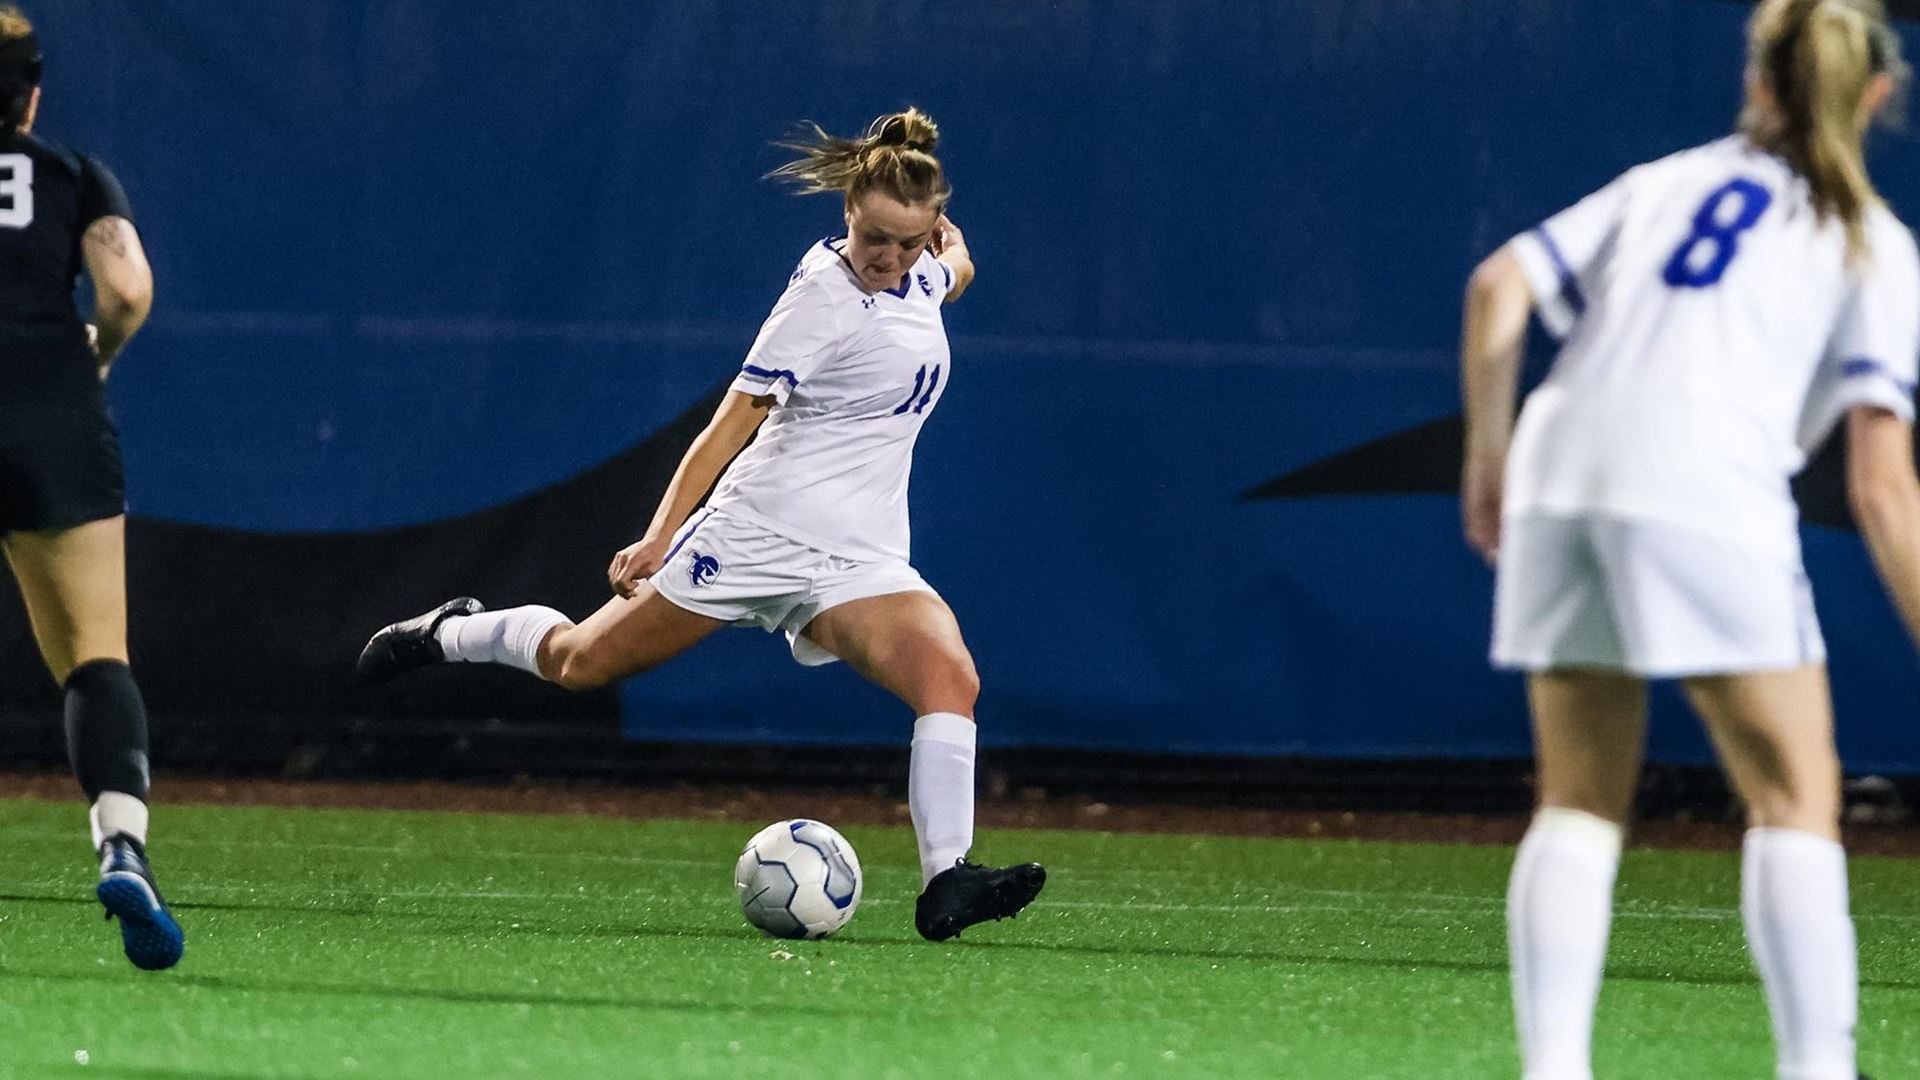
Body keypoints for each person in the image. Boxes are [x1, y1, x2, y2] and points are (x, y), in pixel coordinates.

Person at [360, 108, 1046, 942]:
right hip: (755, 534)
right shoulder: (820, 299)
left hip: (858, 556)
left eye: (909, 241)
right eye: (875, 239)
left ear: (931, 228)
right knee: (583, 662)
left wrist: (951, 254)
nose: (889, 258)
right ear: (847, 215)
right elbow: (726, 430)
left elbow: (952, 271)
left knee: (950, 679)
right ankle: (452, 633)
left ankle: (948, 883)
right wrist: (658, 539)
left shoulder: (923, 274)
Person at [1460, 2, 1918, 1076]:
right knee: (1794, 797)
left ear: (1759, 81)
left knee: (1576, 798)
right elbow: (1885, 488)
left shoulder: (1665, 183)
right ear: (1876, 97)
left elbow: (1498, 290)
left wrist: (1488, 459)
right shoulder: (1873, 243)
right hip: (1704, 482)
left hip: (1559, 472)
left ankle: (1555, 1067)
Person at [0, 5, 180, 970]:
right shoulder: (71, 173)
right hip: (47, 405)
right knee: (93, 657)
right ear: (28, 94)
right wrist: (96, 356)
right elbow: (125, 290)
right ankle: (120, 841)